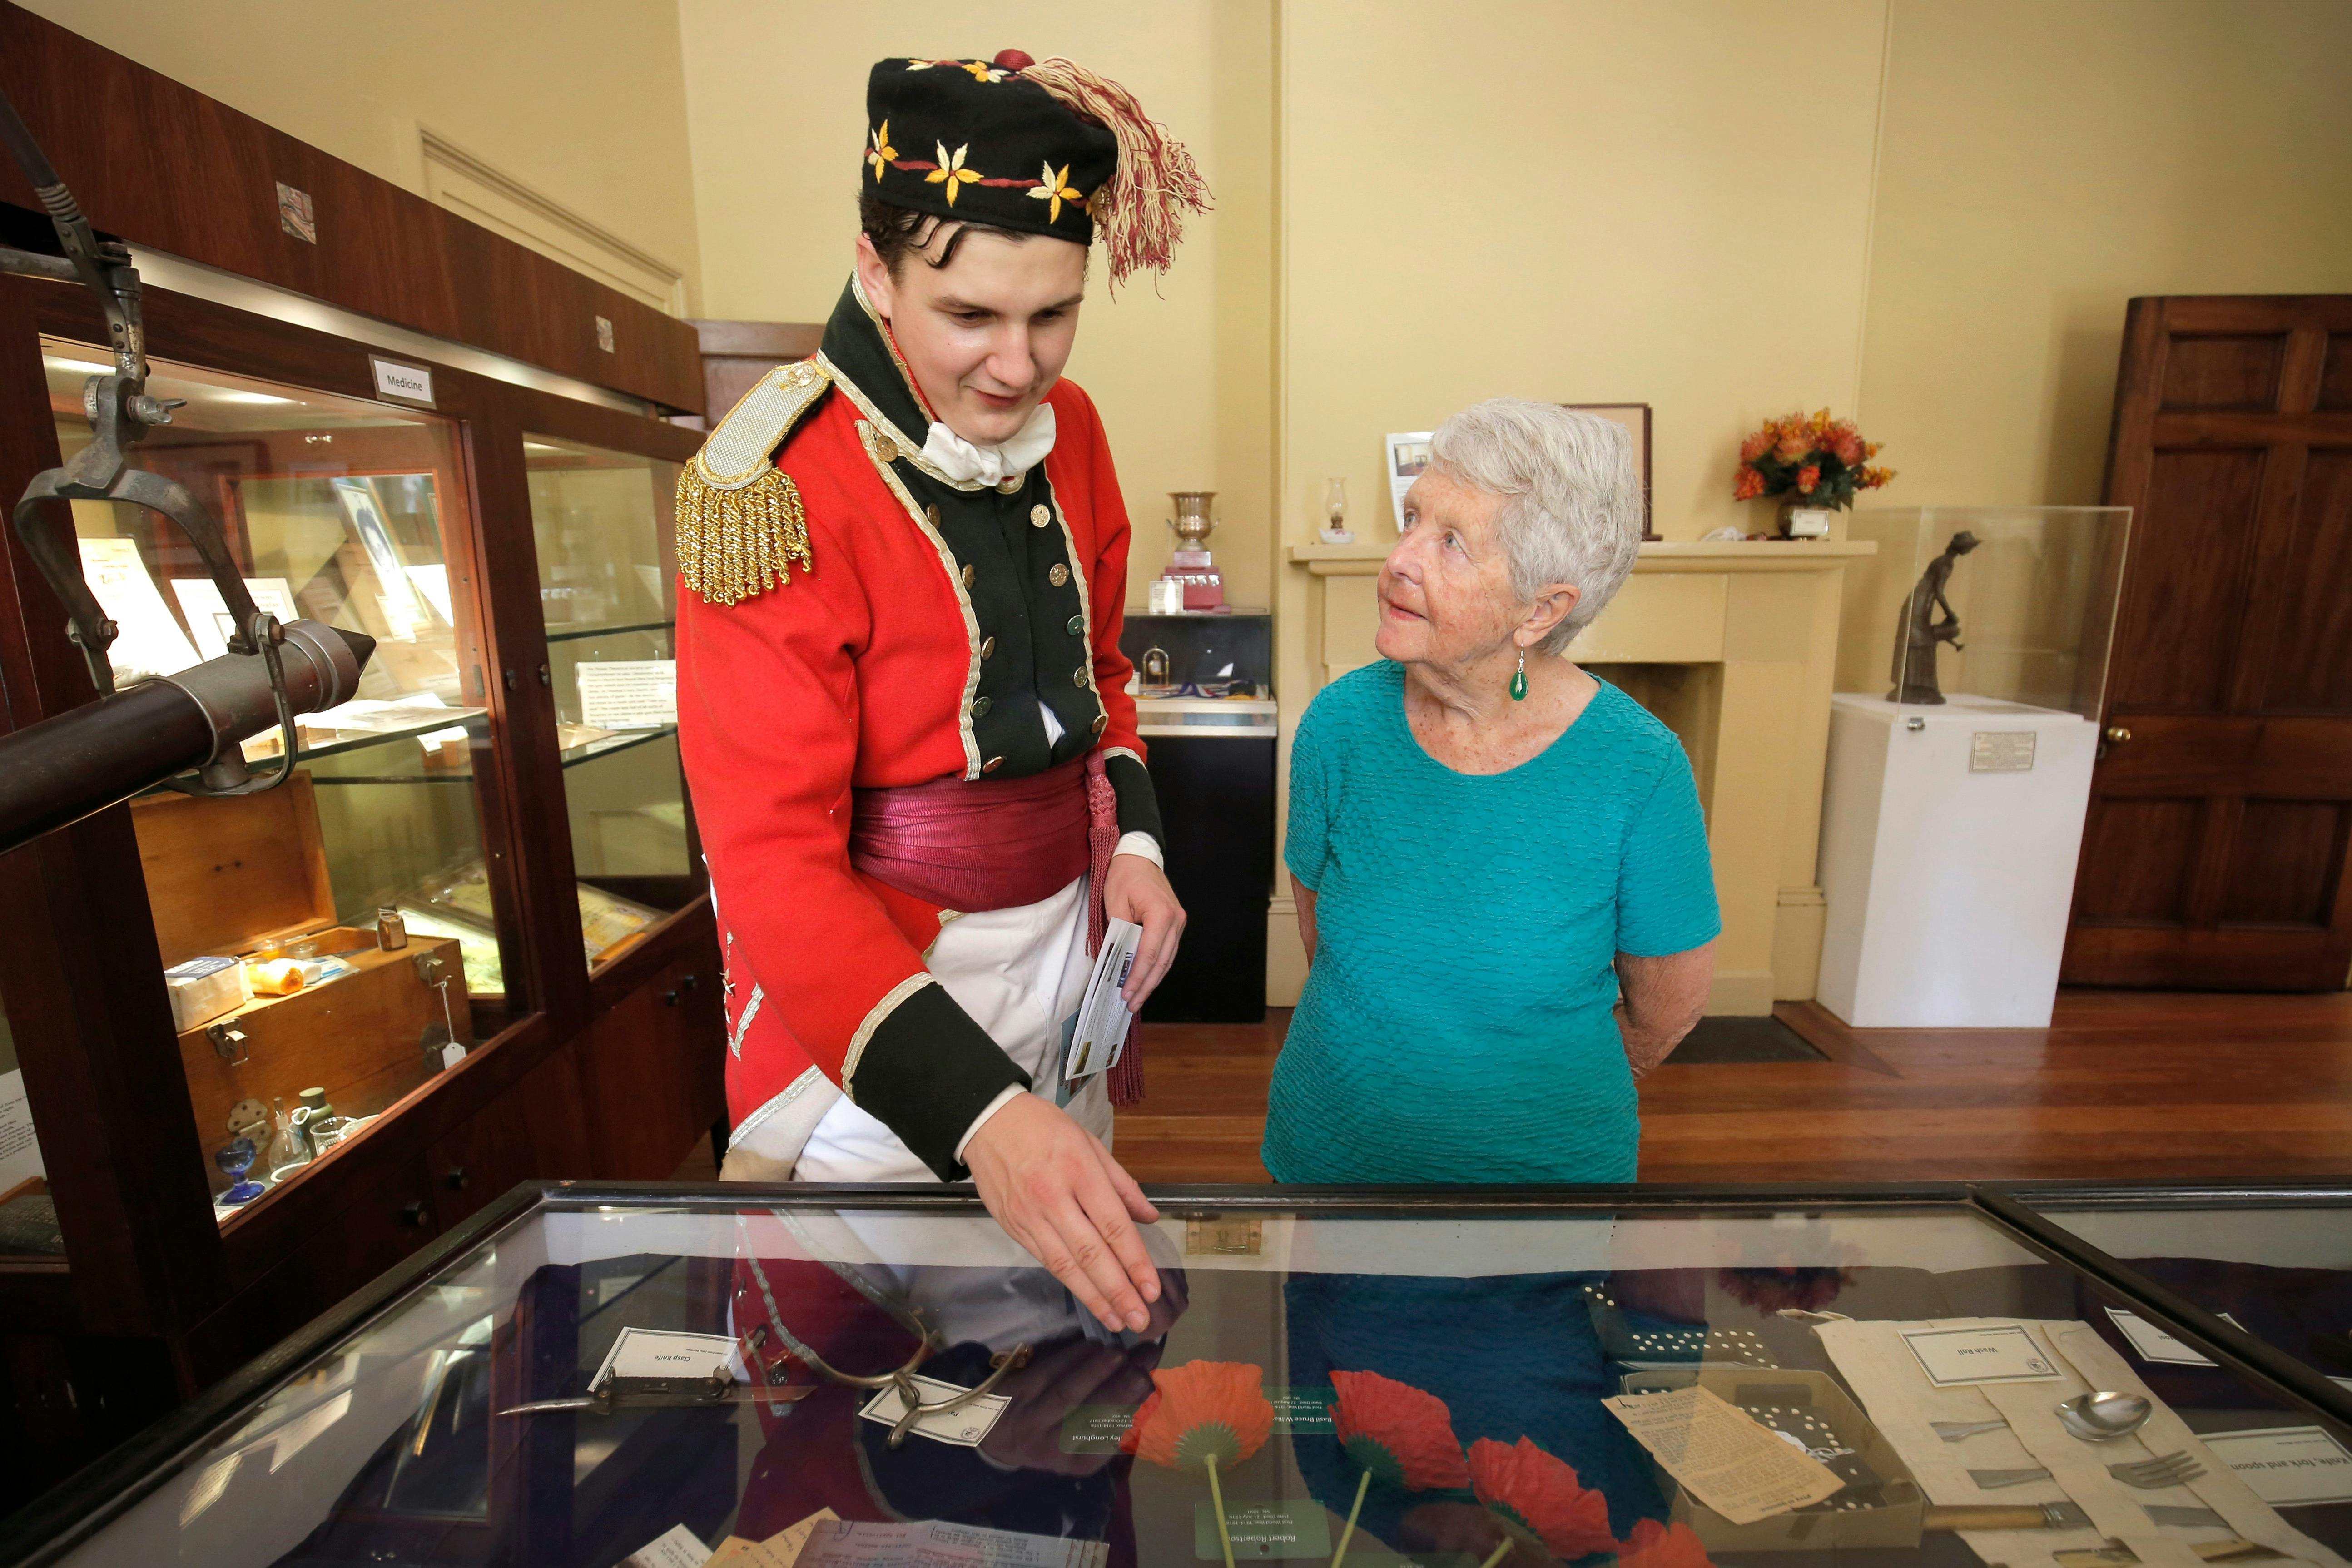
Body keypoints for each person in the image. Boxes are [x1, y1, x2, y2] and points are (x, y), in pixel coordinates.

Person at [675, 50, 1209, 1332]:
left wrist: (1133, 840)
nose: (1018, 366)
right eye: (970, 315)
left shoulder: (1072, 430)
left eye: (1054, 314)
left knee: (1050, 1377)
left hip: (1066, 966)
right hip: (873, 1015)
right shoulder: (769, 489)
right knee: (878, 1408)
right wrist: (980, 1115)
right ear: (875, 270)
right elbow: (772, 868)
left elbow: (1100, 683)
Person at [1266, 399, 1719, 1185]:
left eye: (1450, 543)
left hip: (1541, 1188)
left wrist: (1515, 1099)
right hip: (1329, 1157)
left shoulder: (1639, 767)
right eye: (1411, 520)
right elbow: (1324, 939)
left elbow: (1664, 1009)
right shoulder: (1339, 723)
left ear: (1541, 610)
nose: (1400, 561)